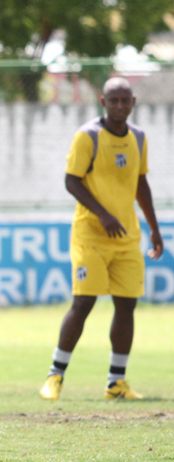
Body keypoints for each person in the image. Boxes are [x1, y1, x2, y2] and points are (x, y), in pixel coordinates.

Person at [40, 77, 164, 401]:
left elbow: (141, 184)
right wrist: (102, 214)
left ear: (133, 102)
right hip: (90, 235)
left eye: (125, 100)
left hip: (126, 237)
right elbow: (71, 181)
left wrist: (154, 227)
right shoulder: (88, 136)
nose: (120, 106)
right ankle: (55, 375)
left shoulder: (138, 138)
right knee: (84, 302)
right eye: (114, 100)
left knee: (127, 306)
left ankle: (116, 382)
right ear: (102, 101)